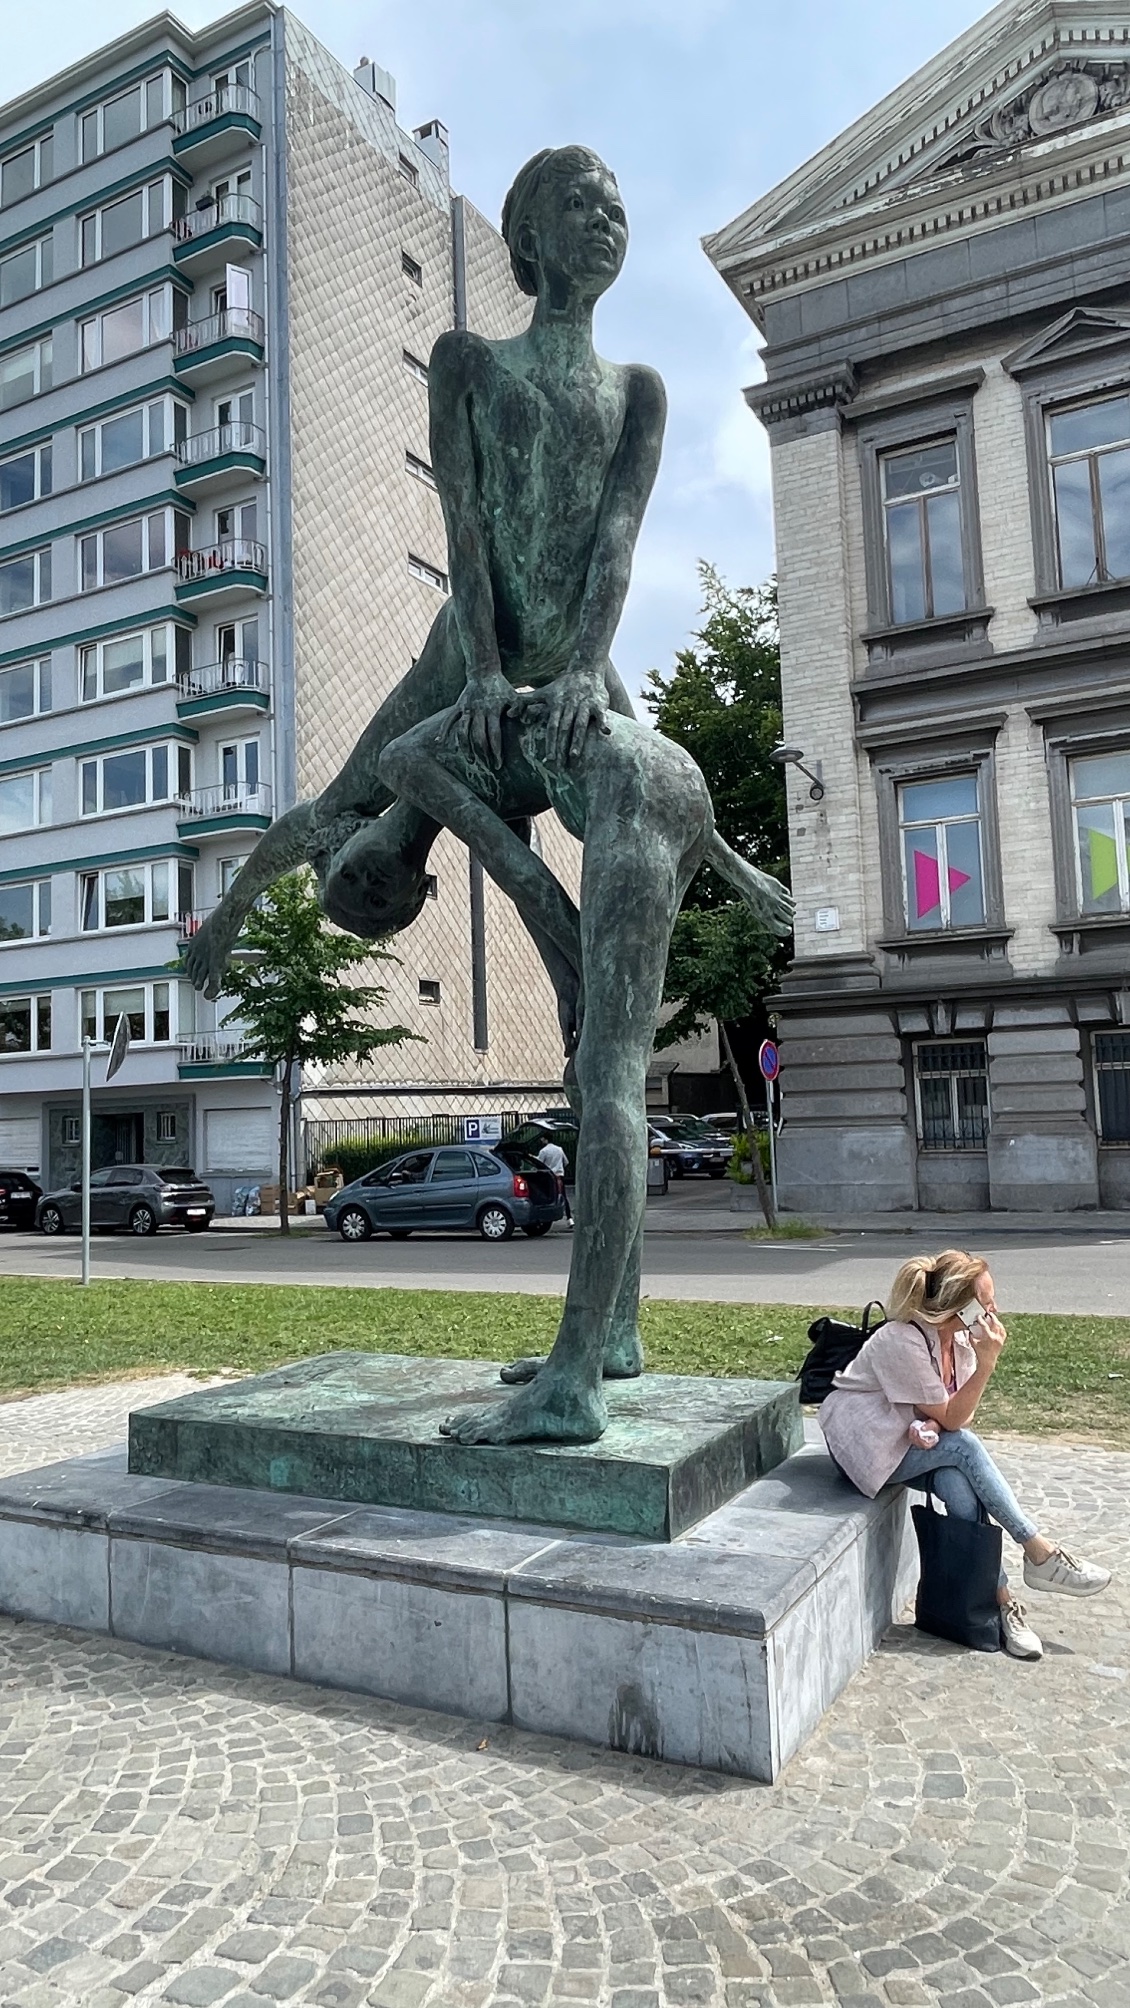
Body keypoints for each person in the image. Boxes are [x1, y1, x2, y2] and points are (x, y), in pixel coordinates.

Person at [819, 1249, 1111, 1660]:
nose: (993, 1310)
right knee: (964, 1447)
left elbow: (955, 1415)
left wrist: (937, 1421)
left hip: (908, 1441)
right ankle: (1039, 1552)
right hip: (864, 1449)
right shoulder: (901, 1339)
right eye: (986, 1302)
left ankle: (1003, 1603)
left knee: (959, 1486)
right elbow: (958, 1422)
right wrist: (986, 1366)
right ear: (961, 1305)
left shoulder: (957, 1341)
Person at [536, 1138, 572, 1224]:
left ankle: (546, 1217)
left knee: (548, 1196)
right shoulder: (559, 1149)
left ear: (546, 1139)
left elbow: (539, 1163)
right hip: (559, 1175)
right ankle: (569, 1218)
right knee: (563, 1196)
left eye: (542, 1139)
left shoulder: (543, 1151)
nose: (541, 1140)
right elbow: (566, 1162)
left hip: (549, 1177)